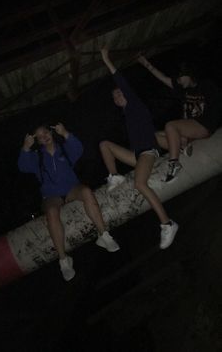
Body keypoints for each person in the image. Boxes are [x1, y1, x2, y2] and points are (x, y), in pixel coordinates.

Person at [18, 122, 120, 282]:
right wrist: (25, 147)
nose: (44, 136)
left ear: (51, 133)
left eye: (45, 132)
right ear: (38, 141)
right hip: (51, 196)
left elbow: (79, 148)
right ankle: (64, 260)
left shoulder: (63, 149)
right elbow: (22, 166)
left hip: (72, 189)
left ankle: (104, 235)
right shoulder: (36, 157)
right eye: (40, 136)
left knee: (86, 191)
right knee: (51, 212)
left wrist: (65, 133)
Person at [100, 48, 178, 250]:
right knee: (104, 145)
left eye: (119, 93)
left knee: (140, 184)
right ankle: (114, 175)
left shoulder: (135, 104)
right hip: (137, 155)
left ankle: (167, 223)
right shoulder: (127, 114)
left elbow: (121, 81)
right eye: (114, 97)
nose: (117, 97)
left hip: (148, 152)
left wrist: (106, 59)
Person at [137, 54, 221, 182]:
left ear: (188, 75)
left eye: (181, 78)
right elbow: (164, 78)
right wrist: (146, 64)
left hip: (205, 125)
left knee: (171, 126)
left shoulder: (206, 86)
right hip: (188, 130)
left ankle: (174, 163)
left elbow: (218, 104)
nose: (179, 82)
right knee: (153, 136)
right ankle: (182, 147)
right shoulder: (182, 90)